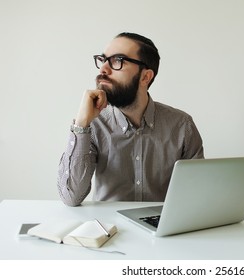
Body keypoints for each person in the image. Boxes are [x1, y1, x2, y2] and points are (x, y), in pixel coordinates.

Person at [57, 32, 204, 206]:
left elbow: (195, 195)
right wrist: (81, 124)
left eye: (118, 60)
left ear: (145, 77)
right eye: (103, 59)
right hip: (109, 229)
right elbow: (71, 197)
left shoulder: (182, 126)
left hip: (162, 228)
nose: (103, 69)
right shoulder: (93, 125)